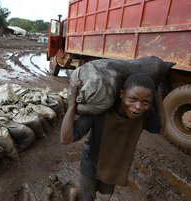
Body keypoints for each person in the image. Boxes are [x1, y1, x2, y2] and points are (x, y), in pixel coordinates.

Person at [60, 73, 162, 201]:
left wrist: (158, 96)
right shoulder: (100, 111)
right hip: (92, 162)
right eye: (132, 99)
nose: (138, 107)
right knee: (87, 197)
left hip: (115, 166)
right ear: (121, 94)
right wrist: (72, 105)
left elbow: (161, 128)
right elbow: (66, 138)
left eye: (145, 102)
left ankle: (78, 191)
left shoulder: (144, 116)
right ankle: (79, 192)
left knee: (105, 195)